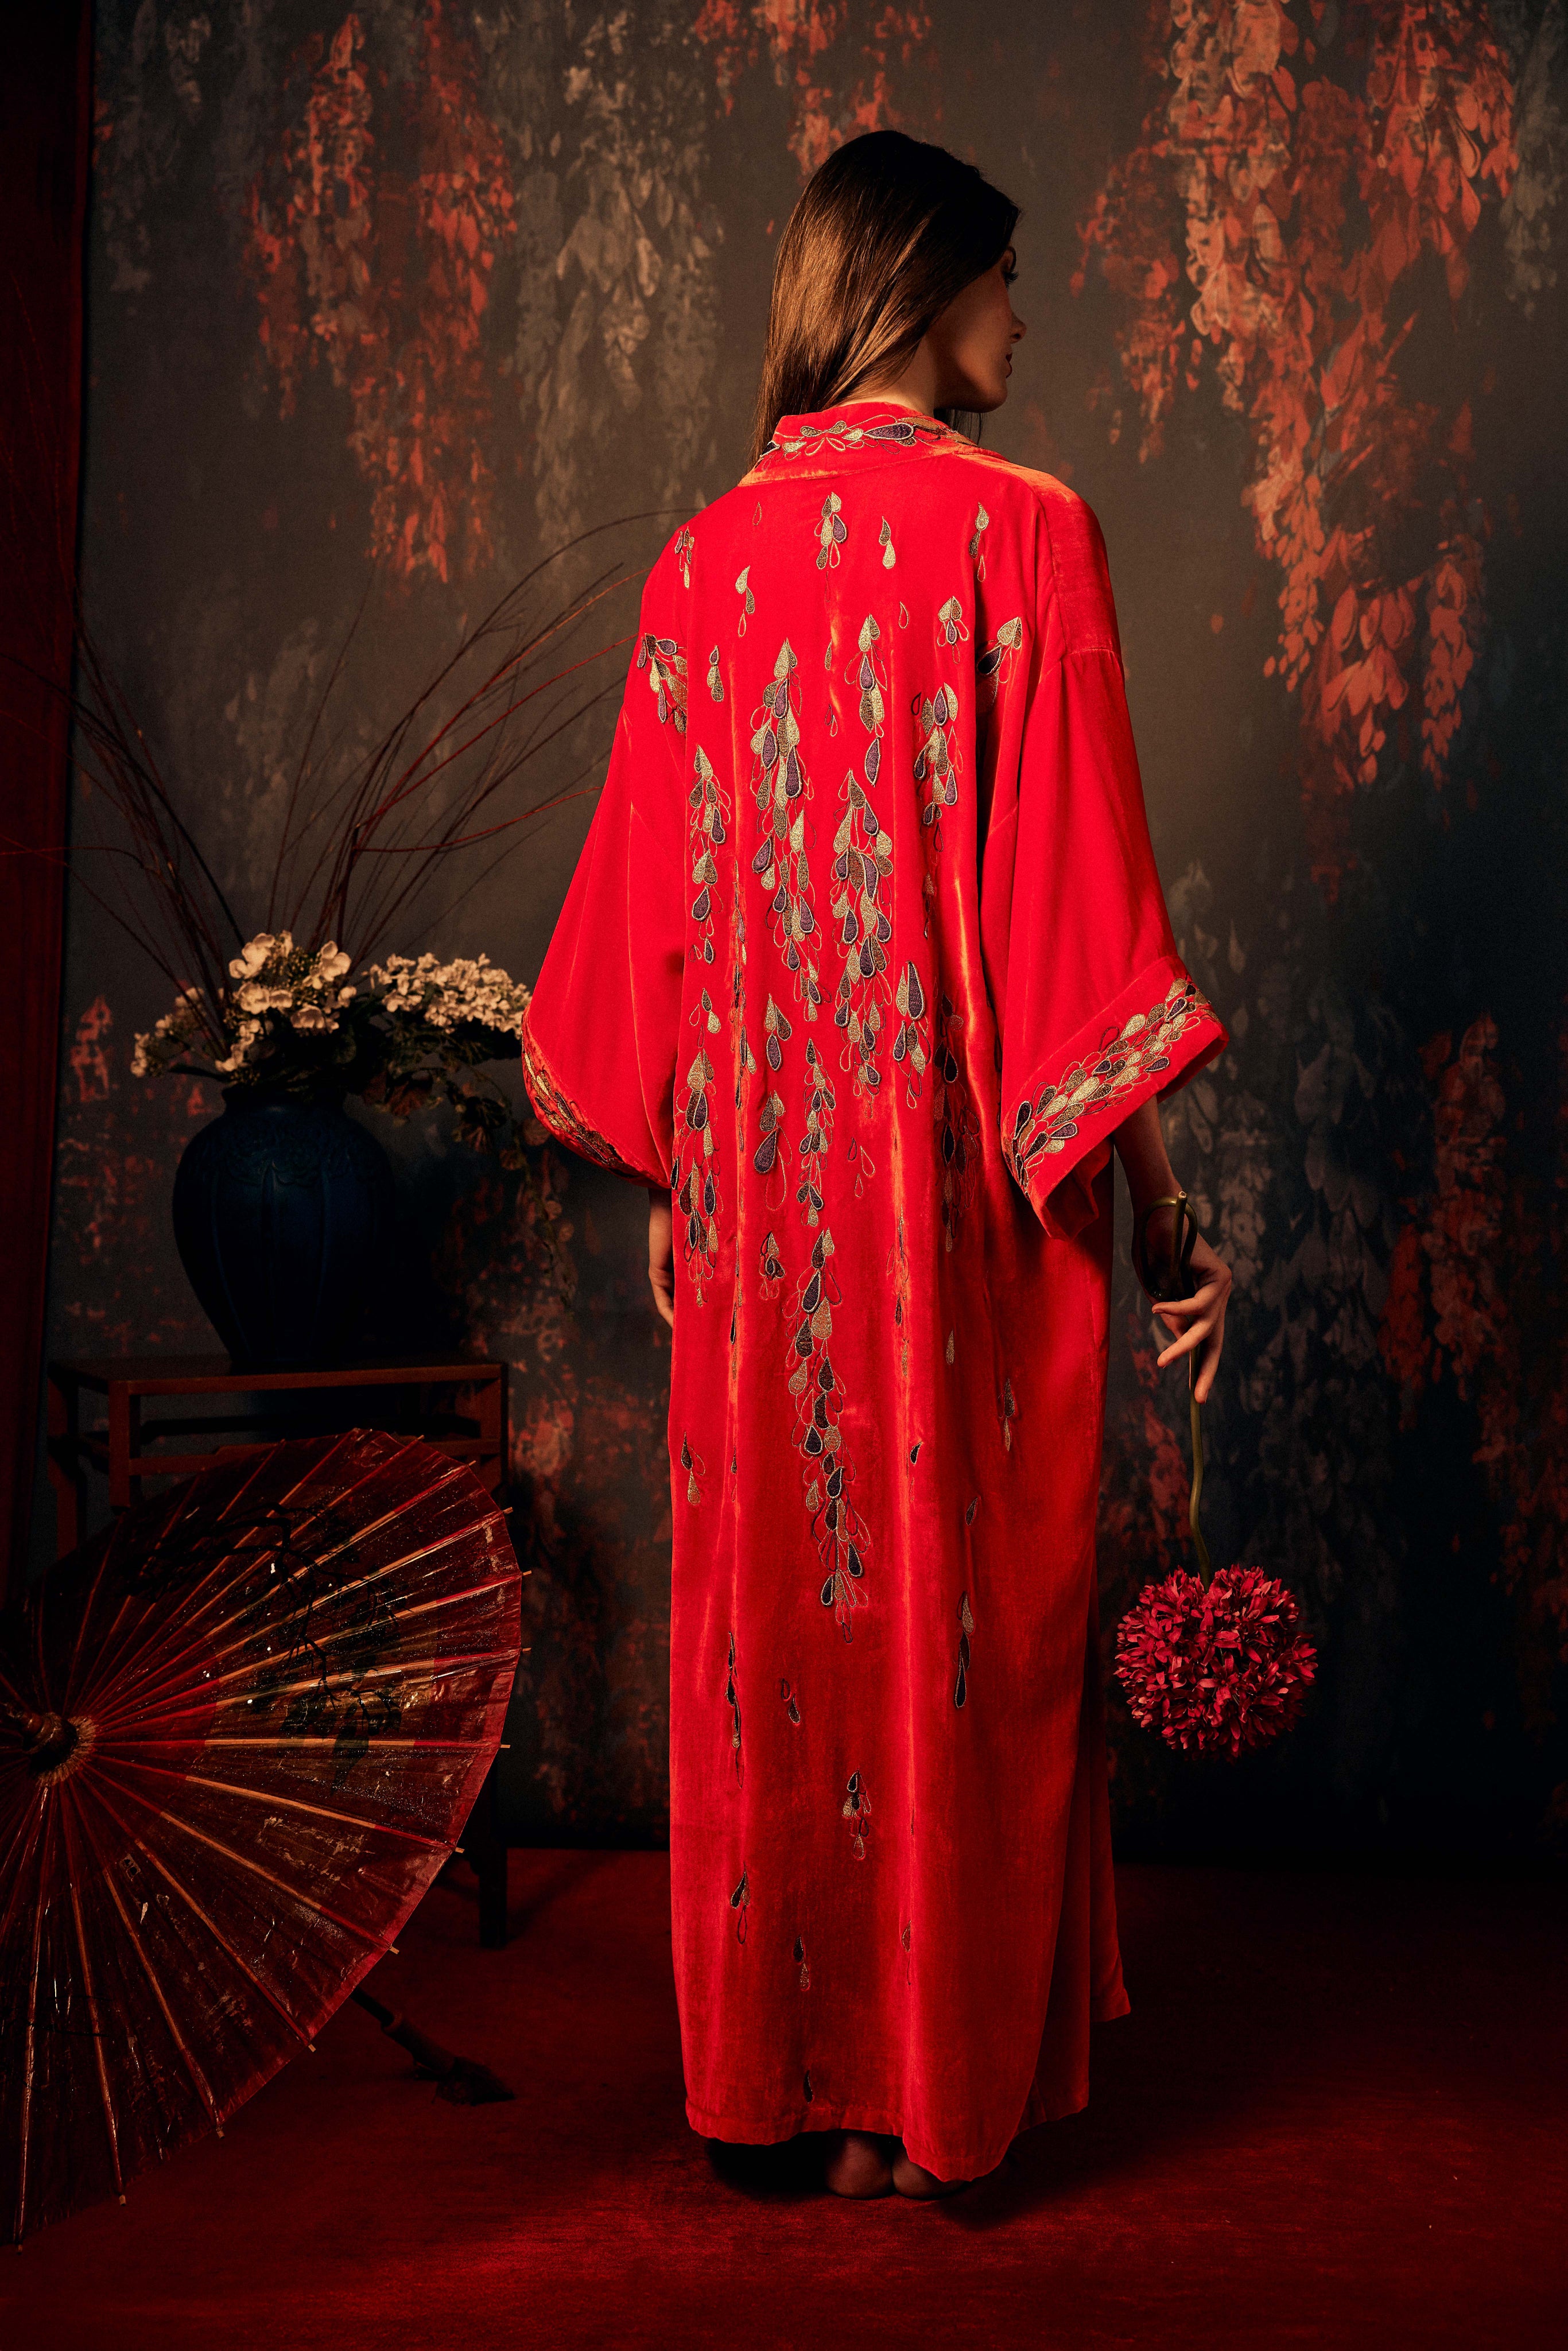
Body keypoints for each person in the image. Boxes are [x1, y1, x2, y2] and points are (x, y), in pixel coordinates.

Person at [521, 129, 1232, 2199]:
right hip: (957, 1206)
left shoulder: (699, 567)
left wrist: (686, 1181)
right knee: (954, 1609)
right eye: (1004, 278)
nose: (1024, 317)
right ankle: (938, 2106)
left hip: (760, 1207)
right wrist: (1163, 1211)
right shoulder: (1025, 534)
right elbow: (1072, 911)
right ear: (922, 287)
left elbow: (650, 916)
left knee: (779, 1617)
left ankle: (788, 2091)